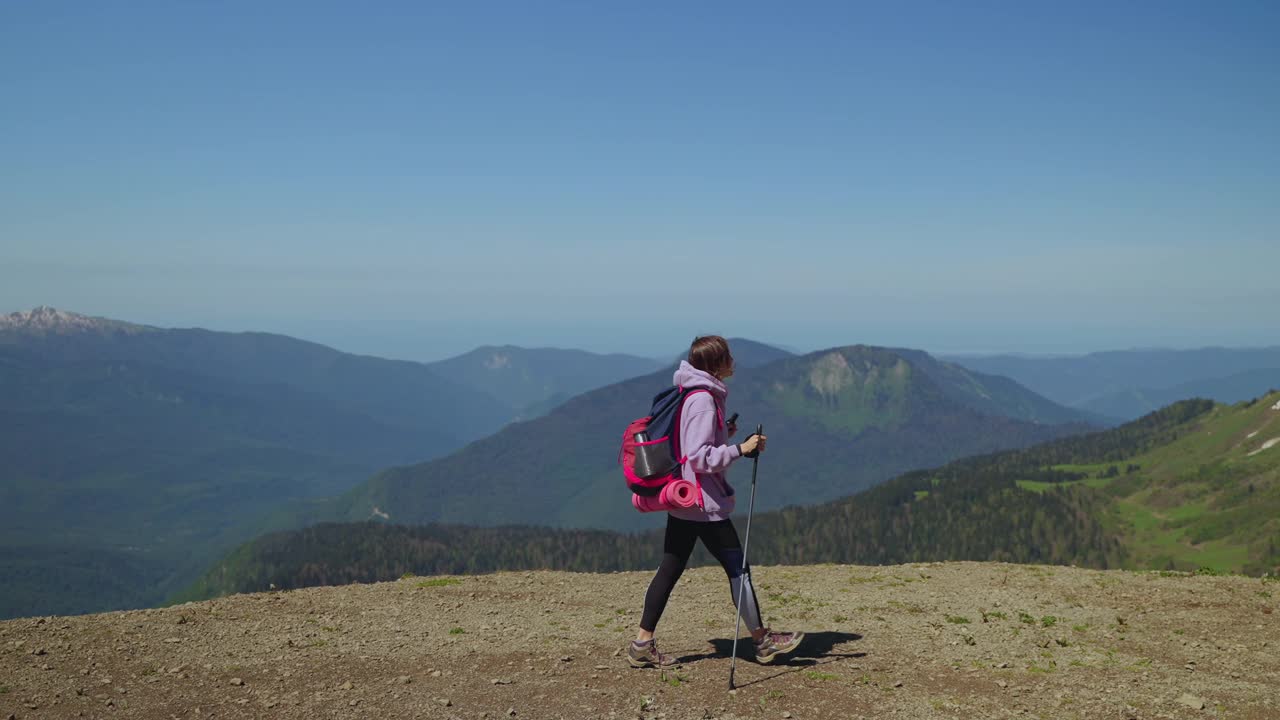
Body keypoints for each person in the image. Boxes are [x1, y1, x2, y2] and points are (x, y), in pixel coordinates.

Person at [628, 335, 804, 668]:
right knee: (739, 569)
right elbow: (697, 457)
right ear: (716, 365)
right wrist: (741, 449)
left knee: (671, 567)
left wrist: (725, 433)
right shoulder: (703, 400)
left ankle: (641, 643)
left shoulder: (693, 393)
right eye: (728, 357)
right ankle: (763, 642)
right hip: (702, 502)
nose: (733, 361)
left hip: (685, 497)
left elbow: (693, 443)